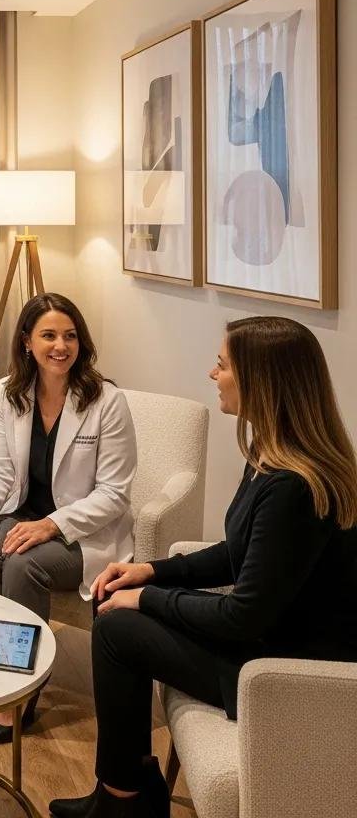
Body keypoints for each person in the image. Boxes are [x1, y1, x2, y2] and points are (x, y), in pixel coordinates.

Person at [51, 316, 357, 818]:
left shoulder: (295, 487)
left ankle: (122, 801)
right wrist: (151, 572)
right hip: (270, 642)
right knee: (120, 613)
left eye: (223, 364)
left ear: (261, 380)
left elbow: (243, 618)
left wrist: (146, 599)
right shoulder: (269, 455)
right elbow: (235, 554)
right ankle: (129, 791)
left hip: (289, 674)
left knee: (117, 630)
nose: (213, 374)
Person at [0, 292, 137, 743]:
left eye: (69, 336)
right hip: (25, 517)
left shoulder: (107, 401)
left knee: (26, 563)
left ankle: (20, 690)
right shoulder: (11, 393)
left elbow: (115, 495)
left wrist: (52, 525)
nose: (60, 346)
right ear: (27, 341)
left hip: (84, 533)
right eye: (48, 335)